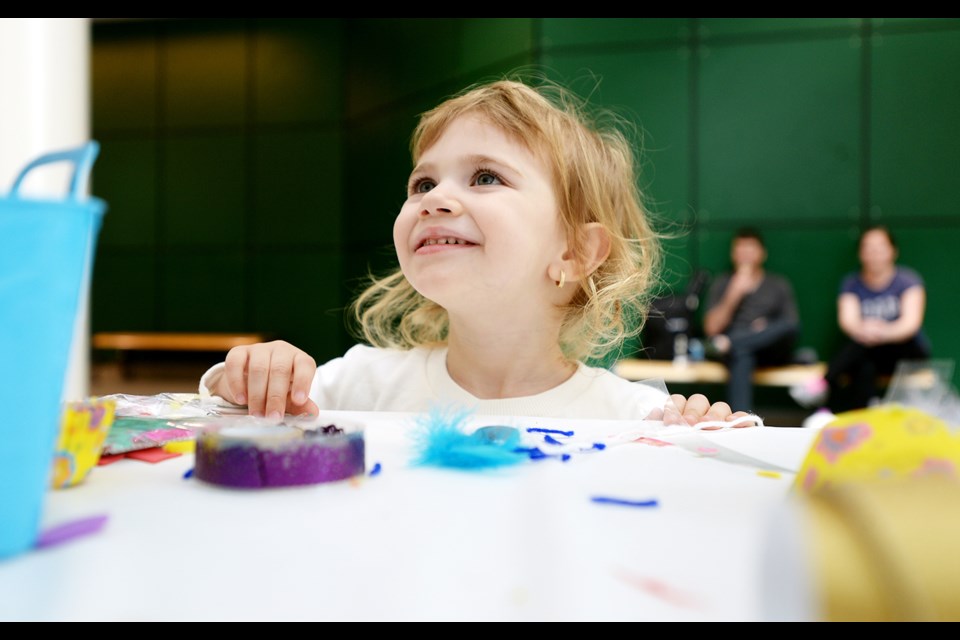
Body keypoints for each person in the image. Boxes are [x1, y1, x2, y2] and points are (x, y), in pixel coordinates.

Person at [199, 76, 757, 428]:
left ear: (576, 251)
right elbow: (219, 421)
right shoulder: (358, 384)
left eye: (485, 177)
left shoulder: (633, 418)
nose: (436, 198)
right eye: (422, 184)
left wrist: (706, 433)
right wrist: (248, 380)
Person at [792, 225, 930, 413]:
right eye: (868, 248)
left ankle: (825, 385)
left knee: (861, 348)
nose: (873, 253)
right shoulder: (852, 283)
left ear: (892, 251)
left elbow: (910, 325)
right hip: (868, 350)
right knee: (865, 365)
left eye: (879, 247)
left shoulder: (908, 281)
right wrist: (865, 331)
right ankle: (868, 410)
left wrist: (879, 331)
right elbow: (848, 322)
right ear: (860, 253)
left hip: (905, 350)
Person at [702, 227, 800, 413]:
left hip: (769, 349)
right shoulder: (723, 282)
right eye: (740, 249)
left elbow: (790, 326)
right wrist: (734, 294)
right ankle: (742, 420)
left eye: (751, 249)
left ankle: (732, 342)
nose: (745, 255)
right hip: (736, 354)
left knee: (787, 326)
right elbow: (711, 329)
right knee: (743, 353)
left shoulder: (778, 284)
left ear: (762, 253)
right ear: (733, 254)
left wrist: (763, 330)